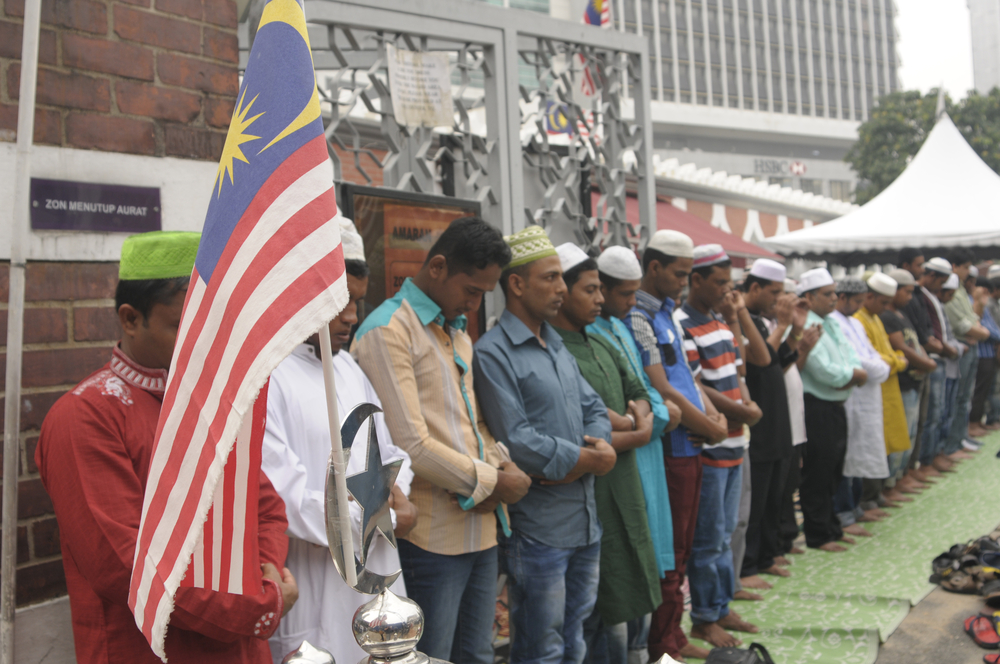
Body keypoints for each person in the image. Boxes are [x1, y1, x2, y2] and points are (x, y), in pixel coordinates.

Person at [35, 231, 299, 664]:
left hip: (240, 645)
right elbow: (125, 567)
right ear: (130, 319)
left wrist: (260, 581)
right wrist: (254, 606)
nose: (201, 343)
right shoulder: (85, 417)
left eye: (209, 327)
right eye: (182, 326)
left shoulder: (213, 403)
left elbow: (265, 508)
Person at [352, 217, 531, 664]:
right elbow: (410, 445)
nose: (474, 304)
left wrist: (500, 465)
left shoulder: (453, 329)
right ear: (437, 267)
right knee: (431, 656)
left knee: (477, 654)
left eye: (482, 295)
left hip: (482, 530)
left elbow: (473, 424)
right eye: (470, 290)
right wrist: (491, 481)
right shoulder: (388, 330)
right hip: (431, 538)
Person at [263, 219, 418, 664]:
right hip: (316, 583)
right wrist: (373, 514)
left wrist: (397, 494)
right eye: (338, 302)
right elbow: (283, 498)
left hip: (380, 578)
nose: (351, 315)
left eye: (357, 301)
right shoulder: (269, 380)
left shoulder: (349, 369)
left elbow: (389, 454)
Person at [473, 227, 616, 664]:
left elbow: (595, 408)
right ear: (516, 285)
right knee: (542, 646)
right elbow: (518, 441)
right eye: (550, 278)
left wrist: (595, 452)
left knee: (574, 637)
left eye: (560, 278)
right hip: (537, 531)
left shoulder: (554, 343)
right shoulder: (493, 352)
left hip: (583, 520)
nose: (561, 289)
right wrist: (589, 458)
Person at [550, 243, 662, 664]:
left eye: (601, 290)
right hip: (588, 493)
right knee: (595, 611)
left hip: (626, 485)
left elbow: (639, 391)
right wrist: (638, 430)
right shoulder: (556, 349)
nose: (599, 299)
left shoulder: (599, 341)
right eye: (590, 290)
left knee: (631, 591)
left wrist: (635, 420)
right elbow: (583, 435)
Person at [624, 231, 729, 663]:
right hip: (672, 446)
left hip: (693, 441)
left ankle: (675, 633)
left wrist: (714, 419)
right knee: (670, 550)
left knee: (685, 545)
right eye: (680, 274)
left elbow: (687, 375)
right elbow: (660, 385)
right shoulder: (639, 318)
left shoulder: (667, 314)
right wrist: (711, 424)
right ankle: (662, 643)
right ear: (653, 268)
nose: (685, 283)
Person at [675, 245, 764, 648]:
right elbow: (696, 385)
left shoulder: (717, 320)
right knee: (709, 537)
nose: (728, 290)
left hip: (734, 444)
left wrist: (744, 408)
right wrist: (740, 413)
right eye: (720, 283)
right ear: (696, 280)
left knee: (725, 532)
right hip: (710, 447)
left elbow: (738, 367)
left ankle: (721, 605)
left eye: (731, 283)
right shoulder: (682, 323)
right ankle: (705, 617)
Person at [738, 260, 810, 591]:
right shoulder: (742, 319)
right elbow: (760, 358)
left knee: (773, 496)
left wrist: (796, 333)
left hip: (778, 421)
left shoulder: (764, 321)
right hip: (757, 424)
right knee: (755, 501)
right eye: (774, 293)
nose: (778, 300)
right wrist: (783, 325)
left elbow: (777, 365)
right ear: (754, 288)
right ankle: (749, 562)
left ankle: (767, 555)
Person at [796, 268, 866, 553]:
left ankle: (831, 528)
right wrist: (852, 376)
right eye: (827, 294)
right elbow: (822, 369)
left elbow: (850, 355)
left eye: (834, 293)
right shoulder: (806, 325)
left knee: (834, 470)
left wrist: (852, 372)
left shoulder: (831, 323)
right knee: (818, 472)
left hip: (836, 405)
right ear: (809, 297)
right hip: (816, 406)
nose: (834, 298)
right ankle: (818, 535)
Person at [829, 278, 891, 525]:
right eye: (855, 301)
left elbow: (872, 355)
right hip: (850, 398)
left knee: (860, 453)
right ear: (841, 297)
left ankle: (855, 507)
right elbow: (854, 361)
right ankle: (844, 511)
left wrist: (879, 367)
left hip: (868, 397)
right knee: (847, 455)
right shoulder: (834, 321)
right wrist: (879, 367)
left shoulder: (855, 322)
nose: (858, 306)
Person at [853, 274, 911, 507]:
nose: (886, 308)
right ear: (869, 296)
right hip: (870, 390)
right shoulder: (859, 319)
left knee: (883, 443)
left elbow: (886, 352)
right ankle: (867, 499)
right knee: (871, 444)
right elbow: (876, 358)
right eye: (883, 303)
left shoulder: (875, 318)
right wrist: (898, 362)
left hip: (887, 389)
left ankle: (878, 495)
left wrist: (894, 360)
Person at [882, 268, 937, 495]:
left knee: (913, 431)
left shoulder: (902, 314)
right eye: (906, 292)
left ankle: (902, 476)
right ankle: (891, 483)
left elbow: (914, 342)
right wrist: (928, 364)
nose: (909, 297)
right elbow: (901, 347)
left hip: (915, 381)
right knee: (902, 434)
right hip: (903, 383)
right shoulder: (887, 316)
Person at [774, 278, 816, 557]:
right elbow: (769, 366)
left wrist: (801, 339)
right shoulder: (766, 327)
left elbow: (790, 367)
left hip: (793, 416)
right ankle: (774, 545)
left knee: (790, 483)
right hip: (776, 420)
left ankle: (785, 539)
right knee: (776, 488)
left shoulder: (785, 329)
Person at [942, 249, 991, 459]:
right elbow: (962, 324)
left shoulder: (960, 290)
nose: (966, 273)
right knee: (955, 399)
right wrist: (981, 332)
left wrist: (980, 331)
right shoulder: (953, 290)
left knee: (964, 398)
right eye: (964, 268)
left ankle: (959, 439)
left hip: (969, 346)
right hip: (961, 346)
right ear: (955, 267)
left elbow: (972, 318)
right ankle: (951, 444)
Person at [914, 258, 958, 476]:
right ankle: (924, 462)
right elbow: (924, 332)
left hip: (937, 357)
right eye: (941, 282)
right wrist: (942, 348)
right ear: (931, 276)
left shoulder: (930, 296)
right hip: (931, 358)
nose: (942, 287)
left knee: (937, 412)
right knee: (930, 415)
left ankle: (931, 457)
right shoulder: (921, 295)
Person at [970, 275, 1000, 437]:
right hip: (982, 353)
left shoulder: (985, 305)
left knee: (984, 390)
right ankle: (974, 423)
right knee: (980, 391)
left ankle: (977, 422)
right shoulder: (978, 304)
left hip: (988, 352)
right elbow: (985, 328)